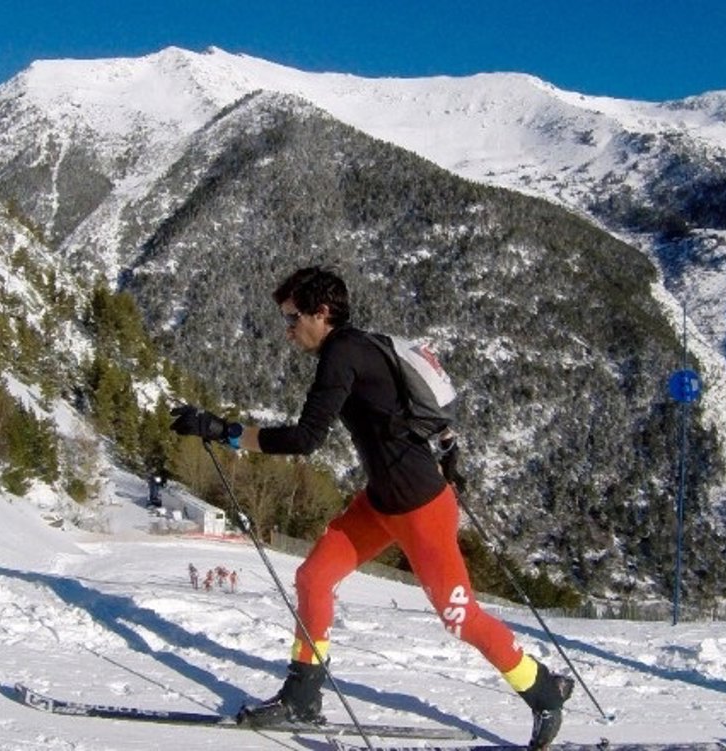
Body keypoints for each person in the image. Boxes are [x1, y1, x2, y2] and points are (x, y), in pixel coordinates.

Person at [170, 266, 573, 749]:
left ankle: (544, 690)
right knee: (314, 577)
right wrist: (449, 447)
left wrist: (225, 431)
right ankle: (302, 696)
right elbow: (412, 402)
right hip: (380, 502)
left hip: (421, 509)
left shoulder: (341, 355)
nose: (288, 330)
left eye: (293, 318)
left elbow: (305, 439)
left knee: (460, 617)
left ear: (322, 313)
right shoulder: (365, 343)